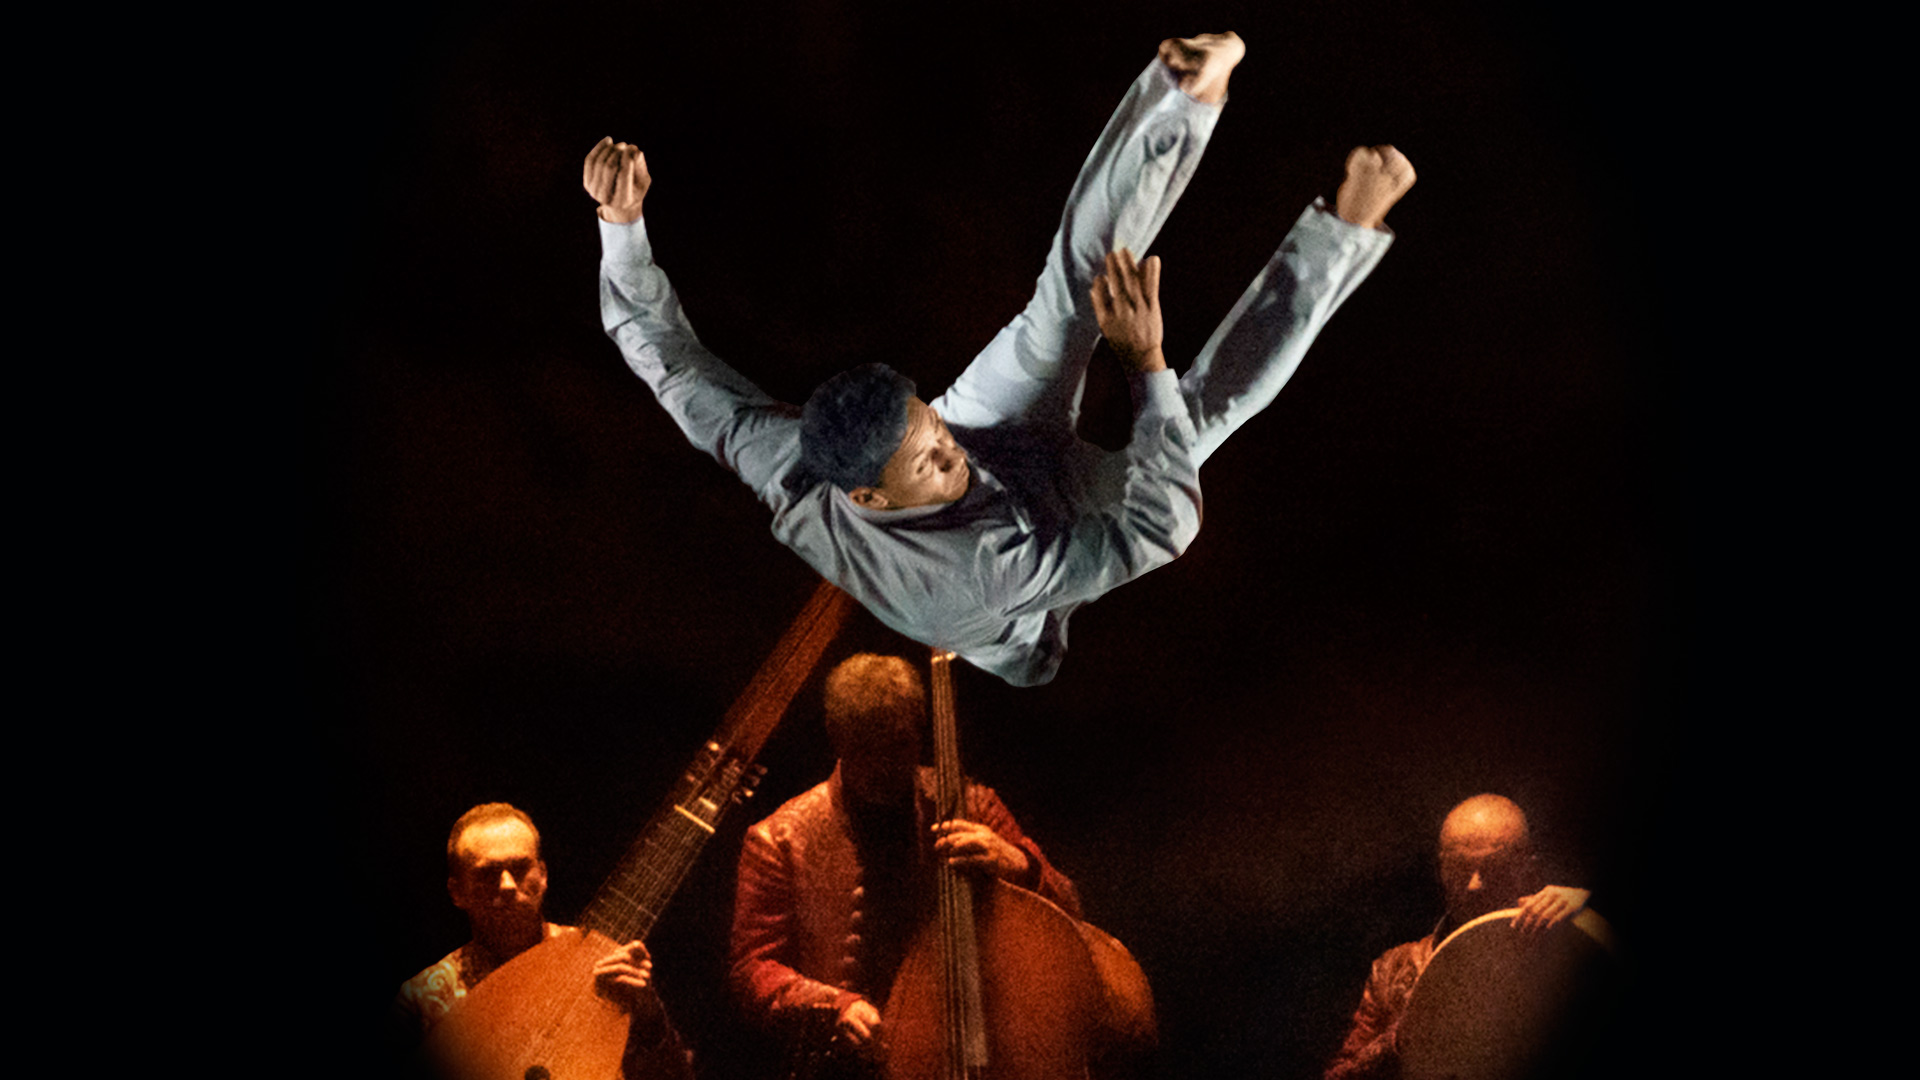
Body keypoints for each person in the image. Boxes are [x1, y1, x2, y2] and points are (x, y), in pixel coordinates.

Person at [584, 32, 1416, 687]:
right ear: (869, 496)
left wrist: (620, 227)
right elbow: (1161, 527)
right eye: (930, 460)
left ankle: (1183, 98)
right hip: (1046, 541)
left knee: (1063, 303)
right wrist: (1145, 364)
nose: (950, 450)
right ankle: (1343, 231)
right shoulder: (983, 576)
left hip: (1007, 448)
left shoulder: (793, 458)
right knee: (1194, 417)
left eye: (930, 426)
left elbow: (670, 364)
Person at [728, 653, 1081, 1056]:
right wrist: (836, 1005)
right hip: (853, 1062)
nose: (885, 766)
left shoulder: (972, 805)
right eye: (866, 749)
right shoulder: (778, 839)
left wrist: (1019, 863)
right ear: (836, 737)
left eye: (899, 745)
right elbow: (752, 967)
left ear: (920, 729)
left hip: (984, 1043)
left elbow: (1069, 911)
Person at [394, 802, 692, 1077]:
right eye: (488, 873)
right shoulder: (423, 999)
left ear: (543, 875)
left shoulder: (605, 966)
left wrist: (650, 1017)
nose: (507, 885)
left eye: (520, 869)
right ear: (457, 892)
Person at [1324, 794, 1592, 1080]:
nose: (1475, 884)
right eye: (1460, 867)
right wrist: (1403, 1037)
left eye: (1493, 867)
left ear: (1526, 867)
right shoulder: (1395, 969)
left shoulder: (1563, 946)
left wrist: (1590, 921)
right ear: (1441, 869)